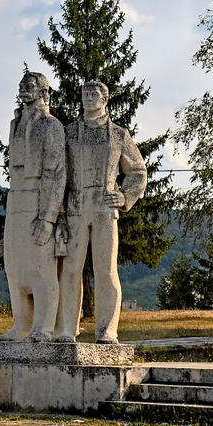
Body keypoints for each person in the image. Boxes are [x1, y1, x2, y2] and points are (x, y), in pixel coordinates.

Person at [54, 80, 147, 344]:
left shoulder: (118, 135)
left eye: (94, 94)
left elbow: (138, 171)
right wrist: (60, 212)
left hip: (105, 209)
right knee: (70, 270)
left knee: (106, 271)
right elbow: (59, 175)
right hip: (75, 207)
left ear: (105, 99)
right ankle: (66, 329)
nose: (89, 98)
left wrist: (125, 196)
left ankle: (107, 330)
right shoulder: (69, 133)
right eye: (85, 94)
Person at [0, 72, 66, 342]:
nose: (24, 88)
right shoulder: (15, 124)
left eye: (31, 85)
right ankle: (20, 326)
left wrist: (48, 217)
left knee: (41, 267)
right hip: (16, 199)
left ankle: (44, 327)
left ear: (44, 92)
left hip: (39, 198)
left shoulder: (51, 126)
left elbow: (57, 174)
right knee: (15, 267)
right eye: (22, 84)